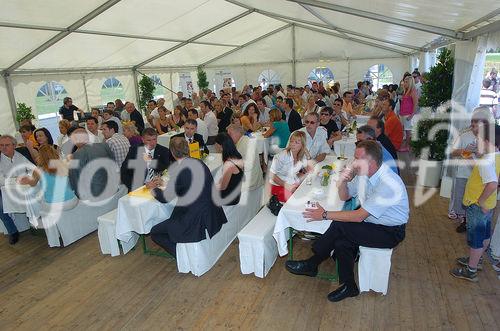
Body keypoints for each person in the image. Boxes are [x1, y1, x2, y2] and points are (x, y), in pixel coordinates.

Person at [286, 140, 409, 302]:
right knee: (341, 242)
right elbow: (345, 196)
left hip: (390, 232)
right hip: (373, 223)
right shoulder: (365, 174)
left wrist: (324, 214)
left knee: (339, 225)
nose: (353, 161)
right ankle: (349, 285)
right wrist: (343, 180)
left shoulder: (388, 183)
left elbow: (359, 216)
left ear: (370, 162)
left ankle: (312, 263)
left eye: (357, 158)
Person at [149, 137, 228, 257]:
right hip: (211, 211)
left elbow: (165, 198)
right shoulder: (199, 162)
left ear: (172, 152)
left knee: (155, 232)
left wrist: (152, 188)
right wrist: (164, 183)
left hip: (194, 217)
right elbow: (185, 185)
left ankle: (182, 257)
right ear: (188, 148)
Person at [451, 124, 500, 282]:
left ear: (486, 141)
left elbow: (492, 183)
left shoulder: (487, 161)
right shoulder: (496, 156)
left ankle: (471, 270)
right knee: (485, 234)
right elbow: (488, 176)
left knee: (475, 239)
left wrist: (481, 201)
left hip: (478, 205)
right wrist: (472, 157)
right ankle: (476, 260)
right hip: (489, 205)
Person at [449, 109, 491, 232]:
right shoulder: (464, 135)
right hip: (463, 174)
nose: (474, 128)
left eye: (477, 125)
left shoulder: (489, 139)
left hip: (480, 177)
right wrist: (465, 151)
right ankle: (464, 221)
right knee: (462, 199)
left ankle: (471, 222)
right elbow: (452, 152)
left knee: (476, 202)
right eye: (473, 125)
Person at [18, 145, 77, 211]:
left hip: (53, 204)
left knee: (37, 196)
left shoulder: (38, 170)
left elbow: (33, 184)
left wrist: (27, 180)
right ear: (55, 153)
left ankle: (38, 217)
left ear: (40, 156)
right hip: (72, 201)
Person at [67, 128, 118, 201]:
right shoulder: (104, 145)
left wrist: (80, 200)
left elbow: (75, 181)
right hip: (113, 189)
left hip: (94, 197)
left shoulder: (75, 155)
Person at [0, 135, 32, 244]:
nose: (3, 147)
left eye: (7, 145)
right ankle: (13, 232)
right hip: (3, 190)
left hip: (24, 186)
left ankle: (35, 224)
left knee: (35, 198)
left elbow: (32, 168)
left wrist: (29, 177)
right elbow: (1, 180)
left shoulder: (20, 155)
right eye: (1, 145)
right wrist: (18, 180)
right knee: (0, 208)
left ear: (14, 146)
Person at [120, 128, 170, 192]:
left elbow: (166, 169)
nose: (152, 143)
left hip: (158, 186)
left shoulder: (163, 151)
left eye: (154, 139)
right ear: (143, 140)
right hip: (139, 187)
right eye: (149, 140)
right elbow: (124, 171)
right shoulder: (134, 150)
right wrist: (136, 186)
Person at [269, 131, 311, 202]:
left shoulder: (300, 155)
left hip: (290, 182)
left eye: (297, 142)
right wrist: (287, 186)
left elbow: (308, 169)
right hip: (277, 185)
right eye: (291, 141)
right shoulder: (283, 155)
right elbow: (271, 174)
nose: (293, 144)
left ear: (302, 145)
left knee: (307, 191)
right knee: (298, 199)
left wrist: (308, 155)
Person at [227, 124, 263, 191]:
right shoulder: (245, 140)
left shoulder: (243, 144)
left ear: (238, 133)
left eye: (230, 134)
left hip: (250, 182)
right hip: (256, 179)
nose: (228, 137)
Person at [214, 133, 244, 206]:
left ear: (221, 146)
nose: (214, 145)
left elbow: (223, 187)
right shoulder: (237, 155)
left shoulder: (228, 163)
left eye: (215, 144)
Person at [399, 76, 418, 152]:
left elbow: (416, 103)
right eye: (404, 81)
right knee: (406, 131)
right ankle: (407, 145)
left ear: (410, 83)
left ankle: (407, 147)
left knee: (408, 131)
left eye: (406, 82)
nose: (404, 83)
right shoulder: (406, 91)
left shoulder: (412, 91)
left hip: (408, 114)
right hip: (404, 113)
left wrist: (412, 115)